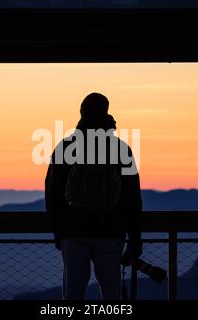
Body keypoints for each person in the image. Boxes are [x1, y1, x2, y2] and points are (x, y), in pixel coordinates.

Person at [45, 93, 142, 300]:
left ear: (81, 112)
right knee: (111, 294)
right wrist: (135, 239)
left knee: (73, 294)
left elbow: (53, 192)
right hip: (111, 231)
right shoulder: (120, 149)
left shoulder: (65, 147)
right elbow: (132, 197)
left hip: (73, 231)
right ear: (106, 111)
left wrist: (57, 230)